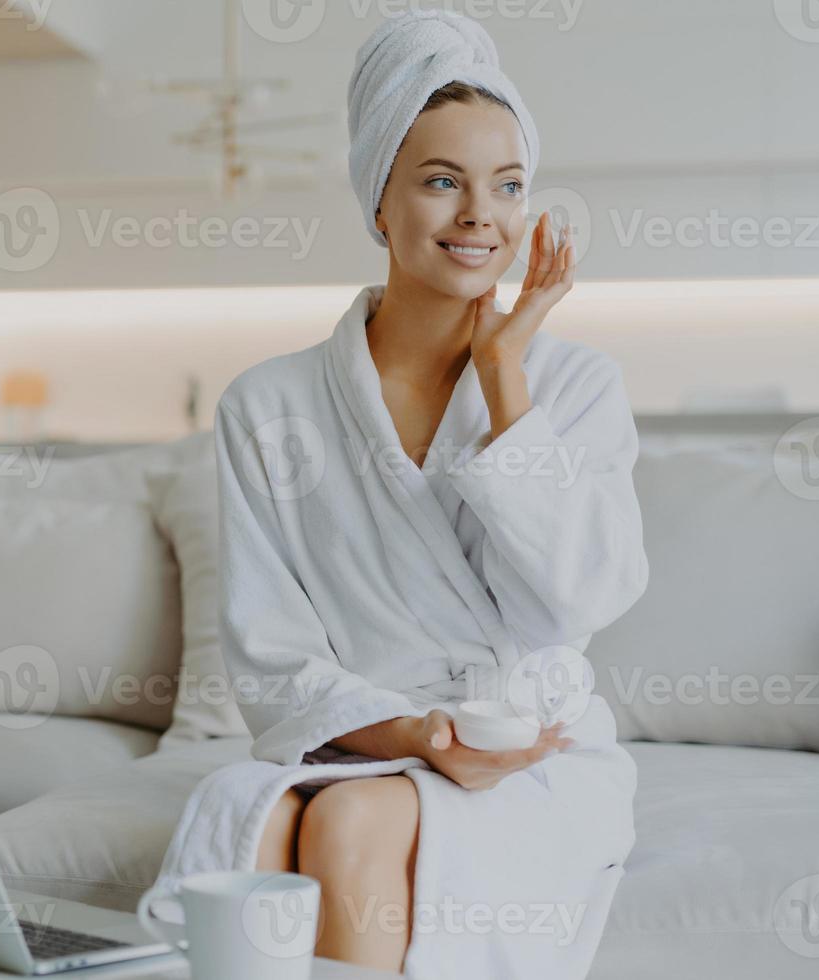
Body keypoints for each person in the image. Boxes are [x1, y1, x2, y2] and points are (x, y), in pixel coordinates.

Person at [151, 11, 648, 979]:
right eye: (440, 181)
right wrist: (417, 733)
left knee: (350, 821)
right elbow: (269, 654)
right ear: (379, 200)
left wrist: (508, 374)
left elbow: (579, 601)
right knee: (253, 821)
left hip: (530, 750)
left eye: (507, 185)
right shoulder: (271, 404)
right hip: (364, 734)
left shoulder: (576, 384)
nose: (479, 214)